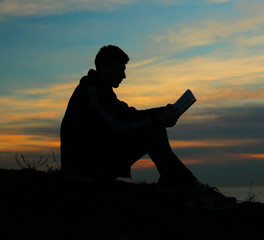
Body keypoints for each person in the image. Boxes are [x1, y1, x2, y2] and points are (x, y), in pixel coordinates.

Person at [60, 45, 236, 210]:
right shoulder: (90, 91)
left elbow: (128, 114)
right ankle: (193, 190)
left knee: (155, 128)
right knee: (151, 131)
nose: (124, 76)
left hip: (96, 158)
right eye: (119, 69)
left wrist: (161, 112)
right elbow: (117, 125)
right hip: (84, 168)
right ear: (104, 68)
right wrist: (157, 120)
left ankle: (169, 180)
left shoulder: (101, 90)